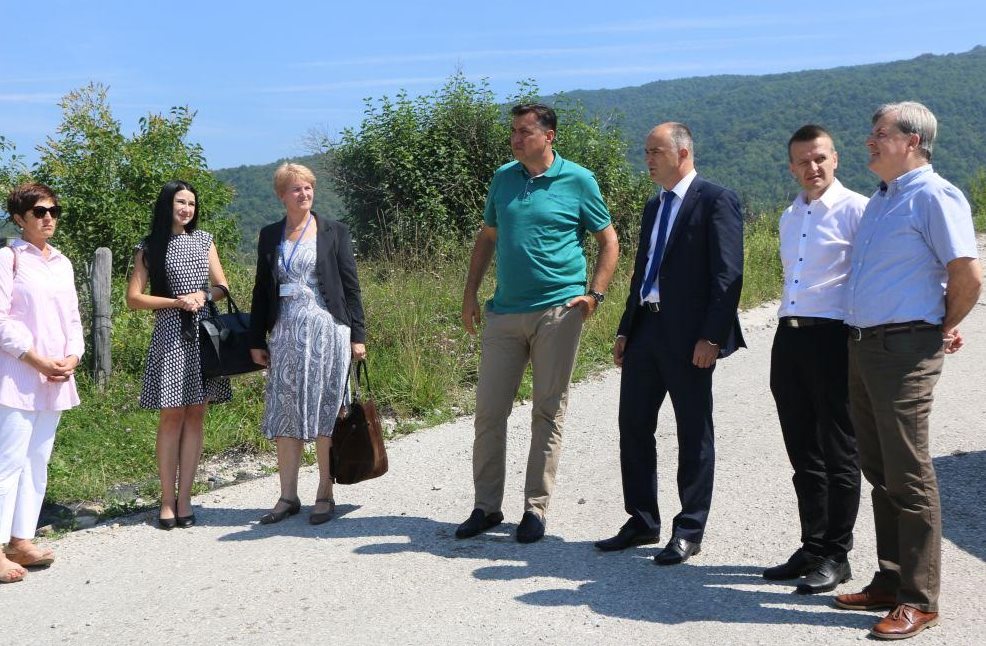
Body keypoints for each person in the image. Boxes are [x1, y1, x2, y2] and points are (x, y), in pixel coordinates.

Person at [834, 102, 981, 640]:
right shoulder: (883, 199)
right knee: (880, 469)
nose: (869, 141)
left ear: (912, 140)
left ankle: (920, 599)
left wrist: (940, 325)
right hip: (865, 345)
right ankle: (891, 579)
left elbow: (968, 275)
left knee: (909, 472)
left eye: (880, 133)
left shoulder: (935, 196)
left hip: (903, 349)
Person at [457, 103, 619, 544]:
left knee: (548, 410)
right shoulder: (503, 178)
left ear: (549, 136)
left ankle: (535, 509)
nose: (515, 139)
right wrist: (470, 293)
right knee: (489, 412)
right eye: (513, 131)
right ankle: (486, 507)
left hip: (557, 311)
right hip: (504, 312)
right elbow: (488, 236)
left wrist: (594, 295)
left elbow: (608, 240)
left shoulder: (578, 180)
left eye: (524, 132)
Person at [595, 122, 744, 565]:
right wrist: (626, 328)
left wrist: (712, 336)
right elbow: (643, 271)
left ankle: (689, 528)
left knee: (693, 431)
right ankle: (642, 520)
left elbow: (728, 275)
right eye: (645, 151)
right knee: (633, 426)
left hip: (691, 336)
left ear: (682, 153)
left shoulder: (716, 200)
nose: (647, 159)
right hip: (647, 329)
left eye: (654, 151)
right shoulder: (654, 205)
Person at [762, 125, 867, 593]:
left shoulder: (858, 210)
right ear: (792, 167)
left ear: (836, 158)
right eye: (803, 161)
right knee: (803, 451)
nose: (813, 167)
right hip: (789, 337)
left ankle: (837, 555)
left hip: (833, 338)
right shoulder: (789, 216)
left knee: (839, 451)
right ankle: (813, 546)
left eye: (820, 158)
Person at [249, 162, 366, 526]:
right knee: (286, 412)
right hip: (284, 334)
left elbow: (350, 286)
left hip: (327, 331)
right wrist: (256, 338)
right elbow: (261, 289)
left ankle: (325, 492)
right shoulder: (270, 235)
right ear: (282, 195)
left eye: (308, 187)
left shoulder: (333, 231)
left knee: (325, 411)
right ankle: (288, 495)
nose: (304, 193)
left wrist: (358, 335)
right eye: (296, 188)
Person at [126, 180, 232, 530]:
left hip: (204, 333)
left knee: (197, 412)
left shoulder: (204, 240)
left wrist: (203, 295)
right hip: (170, 332)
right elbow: (134, 298)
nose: (187, 209)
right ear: (167, 205)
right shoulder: (149, 246)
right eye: (180, 202)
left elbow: (222, 286)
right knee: (171, 414)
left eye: (191, 203)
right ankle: (166, 500)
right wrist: (175, 302)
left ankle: (185, 498)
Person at [0, 183, 83, 582]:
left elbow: (73, 318)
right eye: (39, 211)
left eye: (53, 211)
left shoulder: (62, 263)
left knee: (36, 460)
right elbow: (1, 320)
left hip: (55, 376)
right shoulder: (8, 258)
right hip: (17, 374)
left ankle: (21, 540)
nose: (48, 217)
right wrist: (34, 358)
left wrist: (73, 357)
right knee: (8, 462)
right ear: (19, 218)